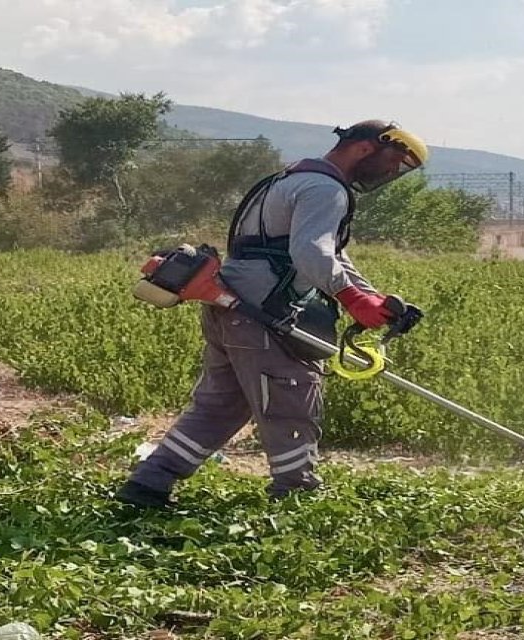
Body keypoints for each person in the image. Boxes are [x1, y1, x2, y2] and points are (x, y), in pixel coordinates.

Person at [117, 120, 429, 507]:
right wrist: (351, 299)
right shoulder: (325, 189)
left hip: (229, 305)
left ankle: (147, 485)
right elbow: (310, 254)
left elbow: (331, 256)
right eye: (393, 162)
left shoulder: (292, 178)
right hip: (261, 313)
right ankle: (296, 494)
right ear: (366, 148)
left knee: (220, 407)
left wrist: (370, 297)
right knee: (292, 400)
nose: (390, 174)